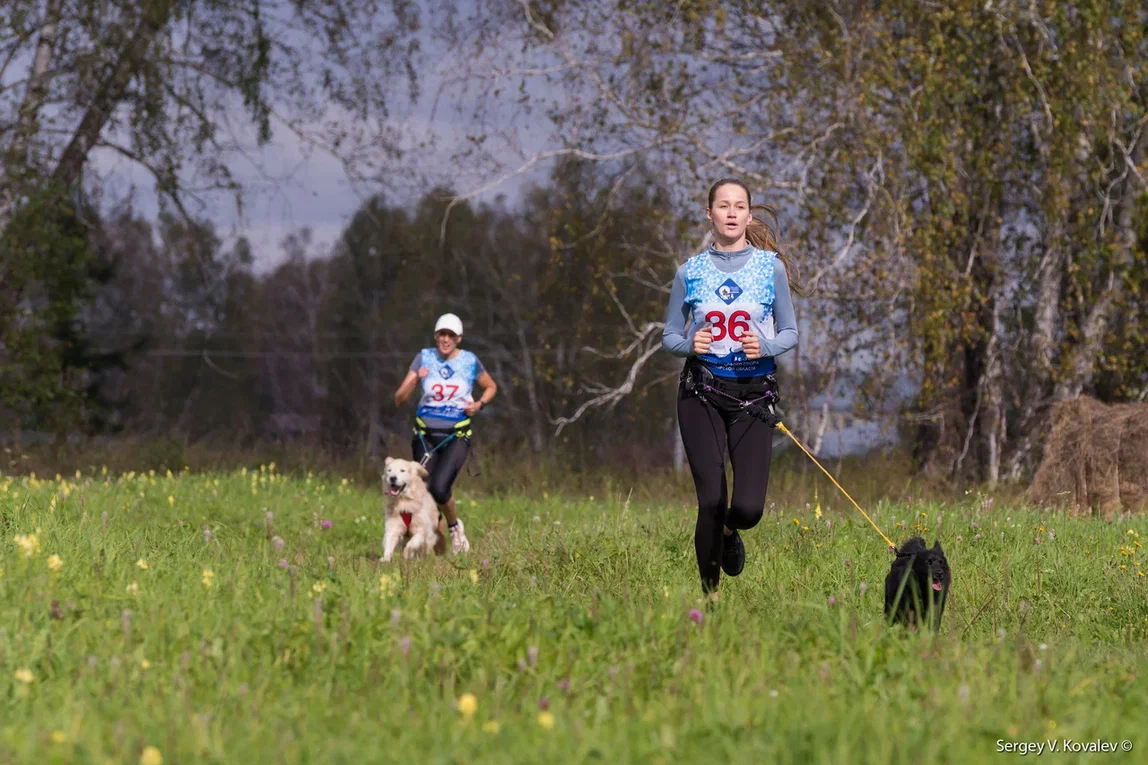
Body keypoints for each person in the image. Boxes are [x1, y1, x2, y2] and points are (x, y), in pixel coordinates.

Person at [661, 178, 803, 597]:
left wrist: (767, 344)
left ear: (748, 214)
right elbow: (670, 335)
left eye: (739, 206)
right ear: (710, 214)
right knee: (709, 499)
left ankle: (728, 532)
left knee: (748, 508)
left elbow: (791, 330)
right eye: (723, 206)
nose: (731, 213)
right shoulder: (689, 271)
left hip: (753, 396)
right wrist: (690, 343)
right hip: (701, 392)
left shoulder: (769, 267)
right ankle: (710, 598)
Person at [393, 312, 498, 554]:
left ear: (459, 338)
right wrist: (415, 380)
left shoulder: (470, 361)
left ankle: (454, 529)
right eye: (442, 334)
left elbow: (491, 386)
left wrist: (479, 404)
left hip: (456, 436)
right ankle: (433, 541)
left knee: (439, 488)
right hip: (424, 436)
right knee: (421, 491)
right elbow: (399, 399)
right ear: (436, 336)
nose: (446, 339)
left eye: (451, 335)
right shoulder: (424, 358)